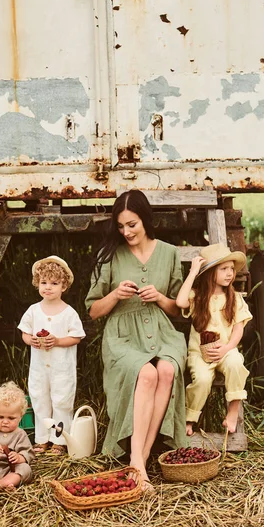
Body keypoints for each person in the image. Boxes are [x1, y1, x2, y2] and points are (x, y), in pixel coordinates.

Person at [85, 189, 188, 490]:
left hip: (161, 330)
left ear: (145, 220)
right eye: (120, 226)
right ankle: (138, 461)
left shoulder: (169, 252)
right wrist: (116, 295)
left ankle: (138, 460)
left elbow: (179, 310)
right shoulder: (111, 255)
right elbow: (93, 311)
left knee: (166, 370)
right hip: (123, 335)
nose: (126, 232)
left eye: (132, 224)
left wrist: (159, 297)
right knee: (146, 373)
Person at [176, 242, 253, 436]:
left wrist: (227, 348)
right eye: (224, 269)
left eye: (231, 269)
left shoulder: (234, 298)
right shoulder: (198, 296)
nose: (230, 273)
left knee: (236, 363)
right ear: (210, 273)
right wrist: (193, 272)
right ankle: (189, 418)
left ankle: (233, 411)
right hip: (200, 354)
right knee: (201, 379)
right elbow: (180, 301)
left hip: (226, 350)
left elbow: (238, 329)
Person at [18, 255, 86, 455]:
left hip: (61, 368)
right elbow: (25, 332)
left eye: (54, 283)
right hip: (39, 368)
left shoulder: (68, 313)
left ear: (64, 286)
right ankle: (41, 439)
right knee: (40, 400)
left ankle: (60, 440)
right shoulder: (33, 310)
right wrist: (29, 339)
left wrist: (56, 341)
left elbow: (76, 337)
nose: (48, 287)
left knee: (61, 401)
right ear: (37, 284)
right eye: (43, 282)